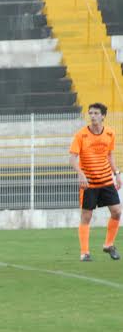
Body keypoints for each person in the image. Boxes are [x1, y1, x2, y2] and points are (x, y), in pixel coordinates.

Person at [70, 102, 121, 261]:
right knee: (86, 216)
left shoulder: (110, 134)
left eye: (96, 113)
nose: (92, 116)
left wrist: (117, 173)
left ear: (103, 116)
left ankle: (108, 244)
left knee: (117, 212)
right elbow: (72, 158)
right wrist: (80, 174)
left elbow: (109, 155)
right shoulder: (81, 135)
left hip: (106, 180)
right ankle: (85, 252)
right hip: (89, 182)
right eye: (90, 113)